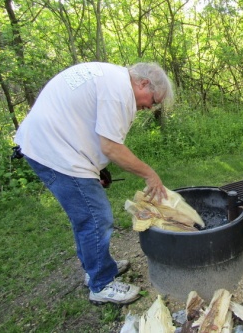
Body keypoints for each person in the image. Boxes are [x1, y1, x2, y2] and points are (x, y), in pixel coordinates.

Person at [14, 62, 173, 305]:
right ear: (143, 83)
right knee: (96, 217)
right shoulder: (118, 93)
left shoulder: (112, 79)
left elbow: (90, 130)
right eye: (153, 99)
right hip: (56, 153)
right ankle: (101, 284)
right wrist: (150, 174)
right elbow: (111, 147)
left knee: (86, 216)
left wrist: (97, 167)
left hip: (49, 145)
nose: (151, 107)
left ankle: (97, 268)